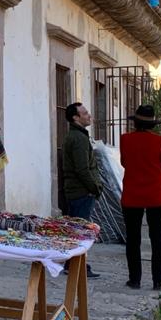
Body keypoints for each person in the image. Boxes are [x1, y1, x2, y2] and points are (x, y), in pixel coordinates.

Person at [120, 103, 161, 291]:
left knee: (133, 238)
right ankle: (158, 281)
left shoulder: (125, 140)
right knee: (157, 238)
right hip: (156, 195)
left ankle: (135, 279)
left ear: (136, 123)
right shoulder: (159, 141)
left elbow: (125, 162)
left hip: (132, 195)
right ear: (152, 125)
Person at [61, 102, 101, 278]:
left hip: (79, 190)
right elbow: (82, 169)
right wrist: (95, 187)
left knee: (77, 228)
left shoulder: (79, 136)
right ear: (75, 117)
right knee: (80, 230)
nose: (88, 115)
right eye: (84, 113)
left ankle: (73, 263)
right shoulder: (78, 139)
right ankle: (77, 265)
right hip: (81, 191)